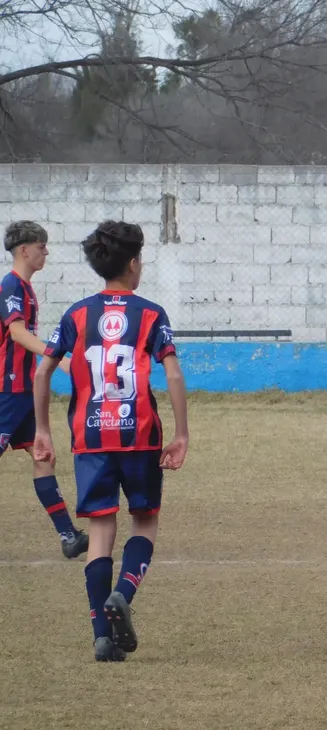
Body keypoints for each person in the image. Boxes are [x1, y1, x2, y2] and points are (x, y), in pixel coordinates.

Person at [33, 221, 190, 663]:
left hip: (91, 437)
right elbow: (173, 372)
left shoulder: (76, 315)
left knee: (101, 530)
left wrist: (43, 430)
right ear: (134, 263)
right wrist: (180, 433)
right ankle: (123, 593)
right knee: (144, 521)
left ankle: (102, 637)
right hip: (139, 434)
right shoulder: (151, 313)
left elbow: (42, 370)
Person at [0, 220, 86, 559]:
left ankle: (68, 536)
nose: (46, 251)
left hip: (23, 393)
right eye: (41, 246)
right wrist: (58, 359)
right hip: (7, 392)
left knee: (43, 456)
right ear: (25, 250)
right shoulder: (11, 286)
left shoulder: (24, 287)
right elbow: (18, 334)